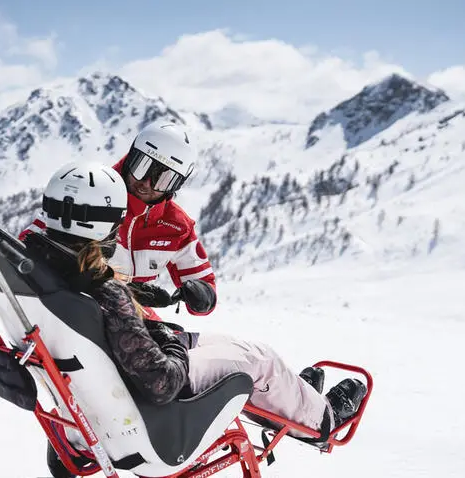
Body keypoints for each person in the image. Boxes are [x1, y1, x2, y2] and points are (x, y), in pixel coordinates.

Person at [25, 162, 368, 478]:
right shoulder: (104, 293)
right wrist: (169, 340)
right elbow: (161, 382)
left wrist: (146, 310)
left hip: (100, 393)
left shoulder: (36, 269)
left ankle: (296, 395)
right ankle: (322, 420)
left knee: (231, 347)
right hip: (146, 405)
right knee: (257, 359)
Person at [20, 121, 217, 321]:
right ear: (131, 156)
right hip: (71, 307)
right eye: (142, 166)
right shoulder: (93, 192)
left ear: (177, 185)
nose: (146, 183)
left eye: (163, 178)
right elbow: (27, 245)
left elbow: (204, 282)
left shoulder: (177, 227)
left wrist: (202, 296)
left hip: (132, 316)